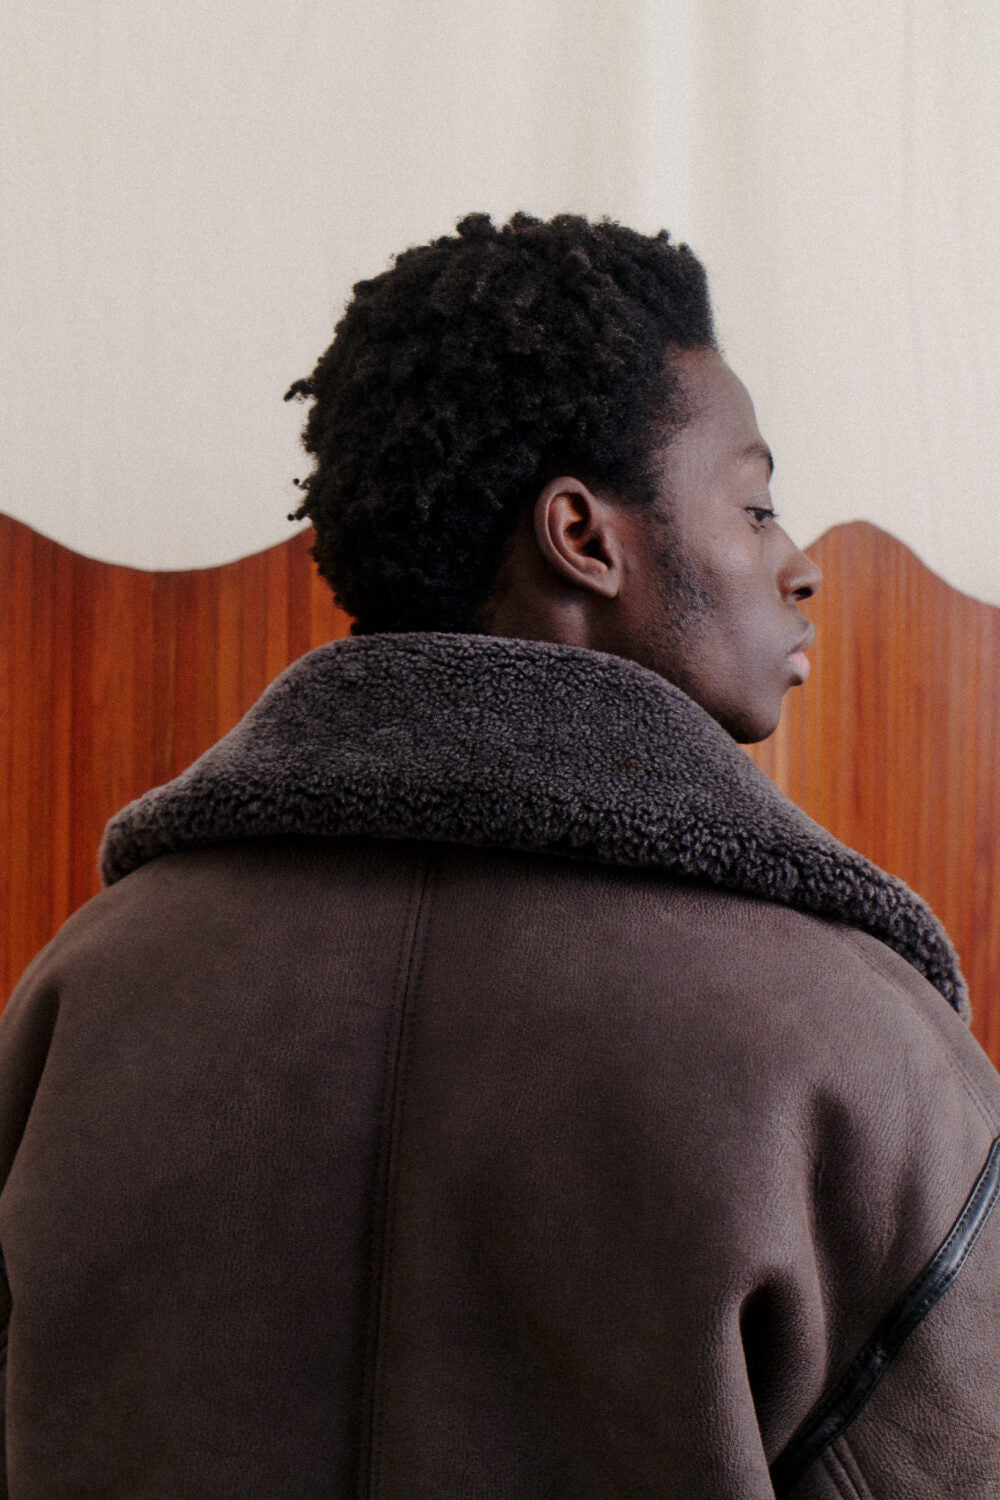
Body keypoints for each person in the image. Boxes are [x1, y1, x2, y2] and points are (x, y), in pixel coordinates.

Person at [1, 212, 998, 1498]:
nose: (798, 565)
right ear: (583, 536)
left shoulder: (86, 989)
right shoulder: (852, 1035)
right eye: (754, 507)